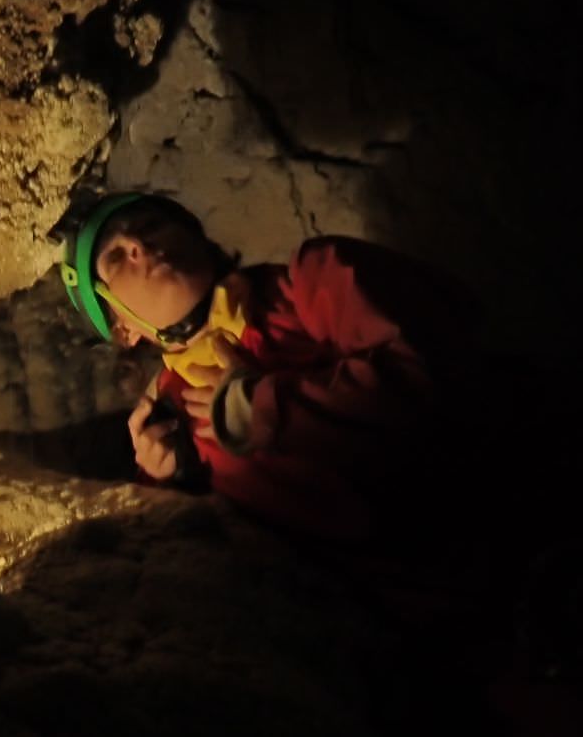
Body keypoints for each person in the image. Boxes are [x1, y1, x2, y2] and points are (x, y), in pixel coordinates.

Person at [59, 191, 479, 543]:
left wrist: (266, 407)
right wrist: (167, 482)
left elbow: (446, 371)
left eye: (150, 225)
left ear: (195, 235)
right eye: (116, 258)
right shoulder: (173, 418)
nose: (139, 245)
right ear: (125, 329)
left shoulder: (316, 281)